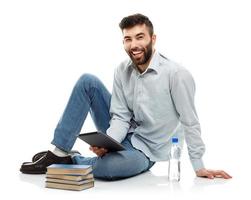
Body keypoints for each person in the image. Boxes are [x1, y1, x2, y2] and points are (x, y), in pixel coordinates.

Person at [20, 13, 232, 180]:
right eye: (128, 39)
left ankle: (73, 160)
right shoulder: (122, 70)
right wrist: (109, 143)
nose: (134, 45)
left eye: (140, 37)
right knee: (87, 81)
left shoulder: (177, 75)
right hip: (121, 136)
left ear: (153, 39)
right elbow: (120, 117)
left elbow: (190, 121)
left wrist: (199, 166)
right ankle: (59, 153)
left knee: (109, 169)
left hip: (147, 151)